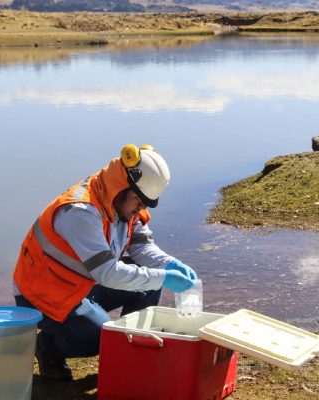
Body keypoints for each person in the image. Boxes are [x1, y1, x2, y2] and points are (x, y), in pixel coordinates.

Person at [12, 144, 197, 381]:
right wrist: (164, 276)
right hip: (43, 294)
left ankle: (128, 352)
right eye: (138, 202)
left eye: (144, 205)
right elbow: (108, 273)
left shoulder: (124, 204)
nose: (140, 210)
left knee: (149, 284)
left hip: (81, 284)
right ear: (122, 187)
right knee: (102, 337)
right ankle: (47, 345)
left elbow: (140, 245)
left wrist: (169, 264)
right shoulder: (81, 211)